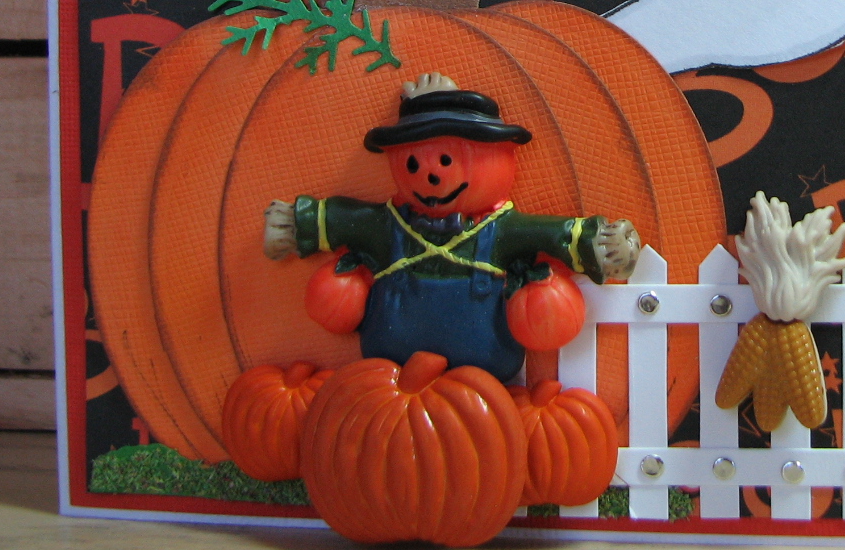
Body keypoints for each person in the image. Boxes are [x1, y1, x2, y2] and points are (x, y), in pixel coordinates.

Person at [262, 72, 640, 381]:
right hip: (389, 373)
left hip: (484, 371)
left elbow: (554, 235)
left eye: (446, 160)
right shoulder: (388, 224)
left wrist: (602, 243)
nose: (430, 175)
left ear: (500, 155)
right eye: (413, 164)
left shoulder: (503, 229)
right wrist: (295, 223)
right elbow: (345, 218)